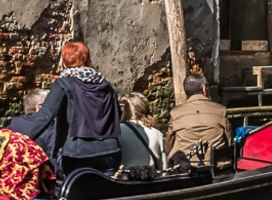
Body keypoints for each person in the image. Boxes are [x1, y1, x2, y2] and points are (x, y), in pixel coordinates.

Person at [9, 39, 123, 173]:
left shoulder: (64, 83)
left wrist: (20, 143)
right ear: (87, 60)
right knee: (106, 193)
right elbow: (118, 114)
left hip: (77, 153)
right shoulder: (105, 84)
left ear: (65, 61)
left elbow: (45, 117)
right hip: (110, 151)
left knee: (76, 192)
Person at [166, 73, 233, 169]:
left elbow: (169, 144)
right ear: (204, 89)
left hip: (185, 167)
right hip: (217, 166)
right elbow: (229, 141)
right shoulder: (220, 110)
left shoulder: (175, 113)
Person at [116, 93, 166, 171]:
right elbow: (163, 168)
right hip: (151, 180)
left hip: (125, 181)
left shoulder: (117, 131)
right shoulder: (157, 134)